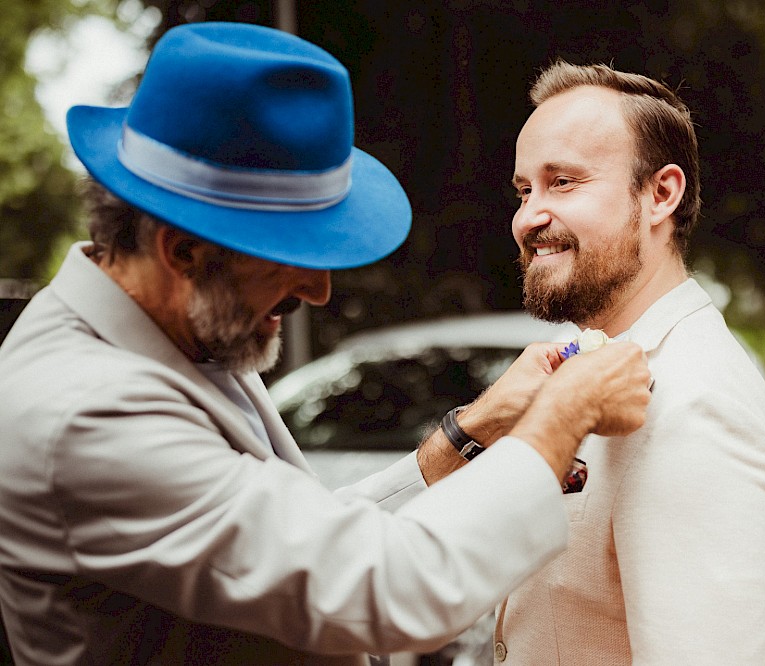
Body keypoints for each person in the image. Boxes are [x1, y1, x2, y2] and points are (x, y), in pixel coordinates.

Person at [0, 25, 653, 665]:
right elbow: (383, 588)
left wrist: (471, 432)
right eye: (294, 254)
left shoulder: (179, 331)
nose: (318, 290)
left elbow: (286, 548)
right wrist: (559, 418)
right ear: (185, 252)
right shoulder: (86, 412)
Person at [494, 61, 765, 664]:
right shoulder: (585, 365)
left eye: (565, 182)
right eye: (525, 189)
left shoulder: (697, 402)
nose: (528, 217)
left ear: (661, 194)